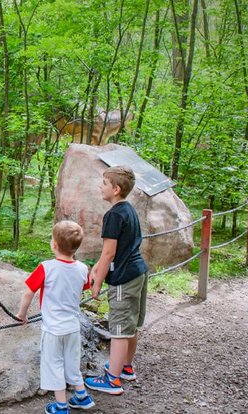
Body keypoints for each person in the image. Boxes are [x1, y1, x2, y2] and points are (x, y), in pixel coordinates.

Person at [18, 220, 96, 413]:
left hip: (53, 329)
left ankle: (61, 406)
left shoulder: (46, 267)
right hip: (72, 327)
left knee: (54, 366)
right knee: (72, 364)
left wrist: (22, 314)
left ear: (54, 244)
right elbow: (85, 286)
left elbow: (28, 292)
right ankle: (82, 397)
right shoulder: (82, 268)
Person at [84, 165, 149, 395]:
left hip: (123, 277)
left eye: (104, 184)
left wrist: (98, 281)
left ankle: (112, 379)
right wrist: (97, 268)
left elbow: (109, 252)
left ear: (116, 189)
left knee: (120, 328)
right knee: (132, 326)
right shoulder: (128, 209)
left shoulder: (113, 215)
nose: (100, 187)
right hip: (138, 270)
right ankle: (126, 367)